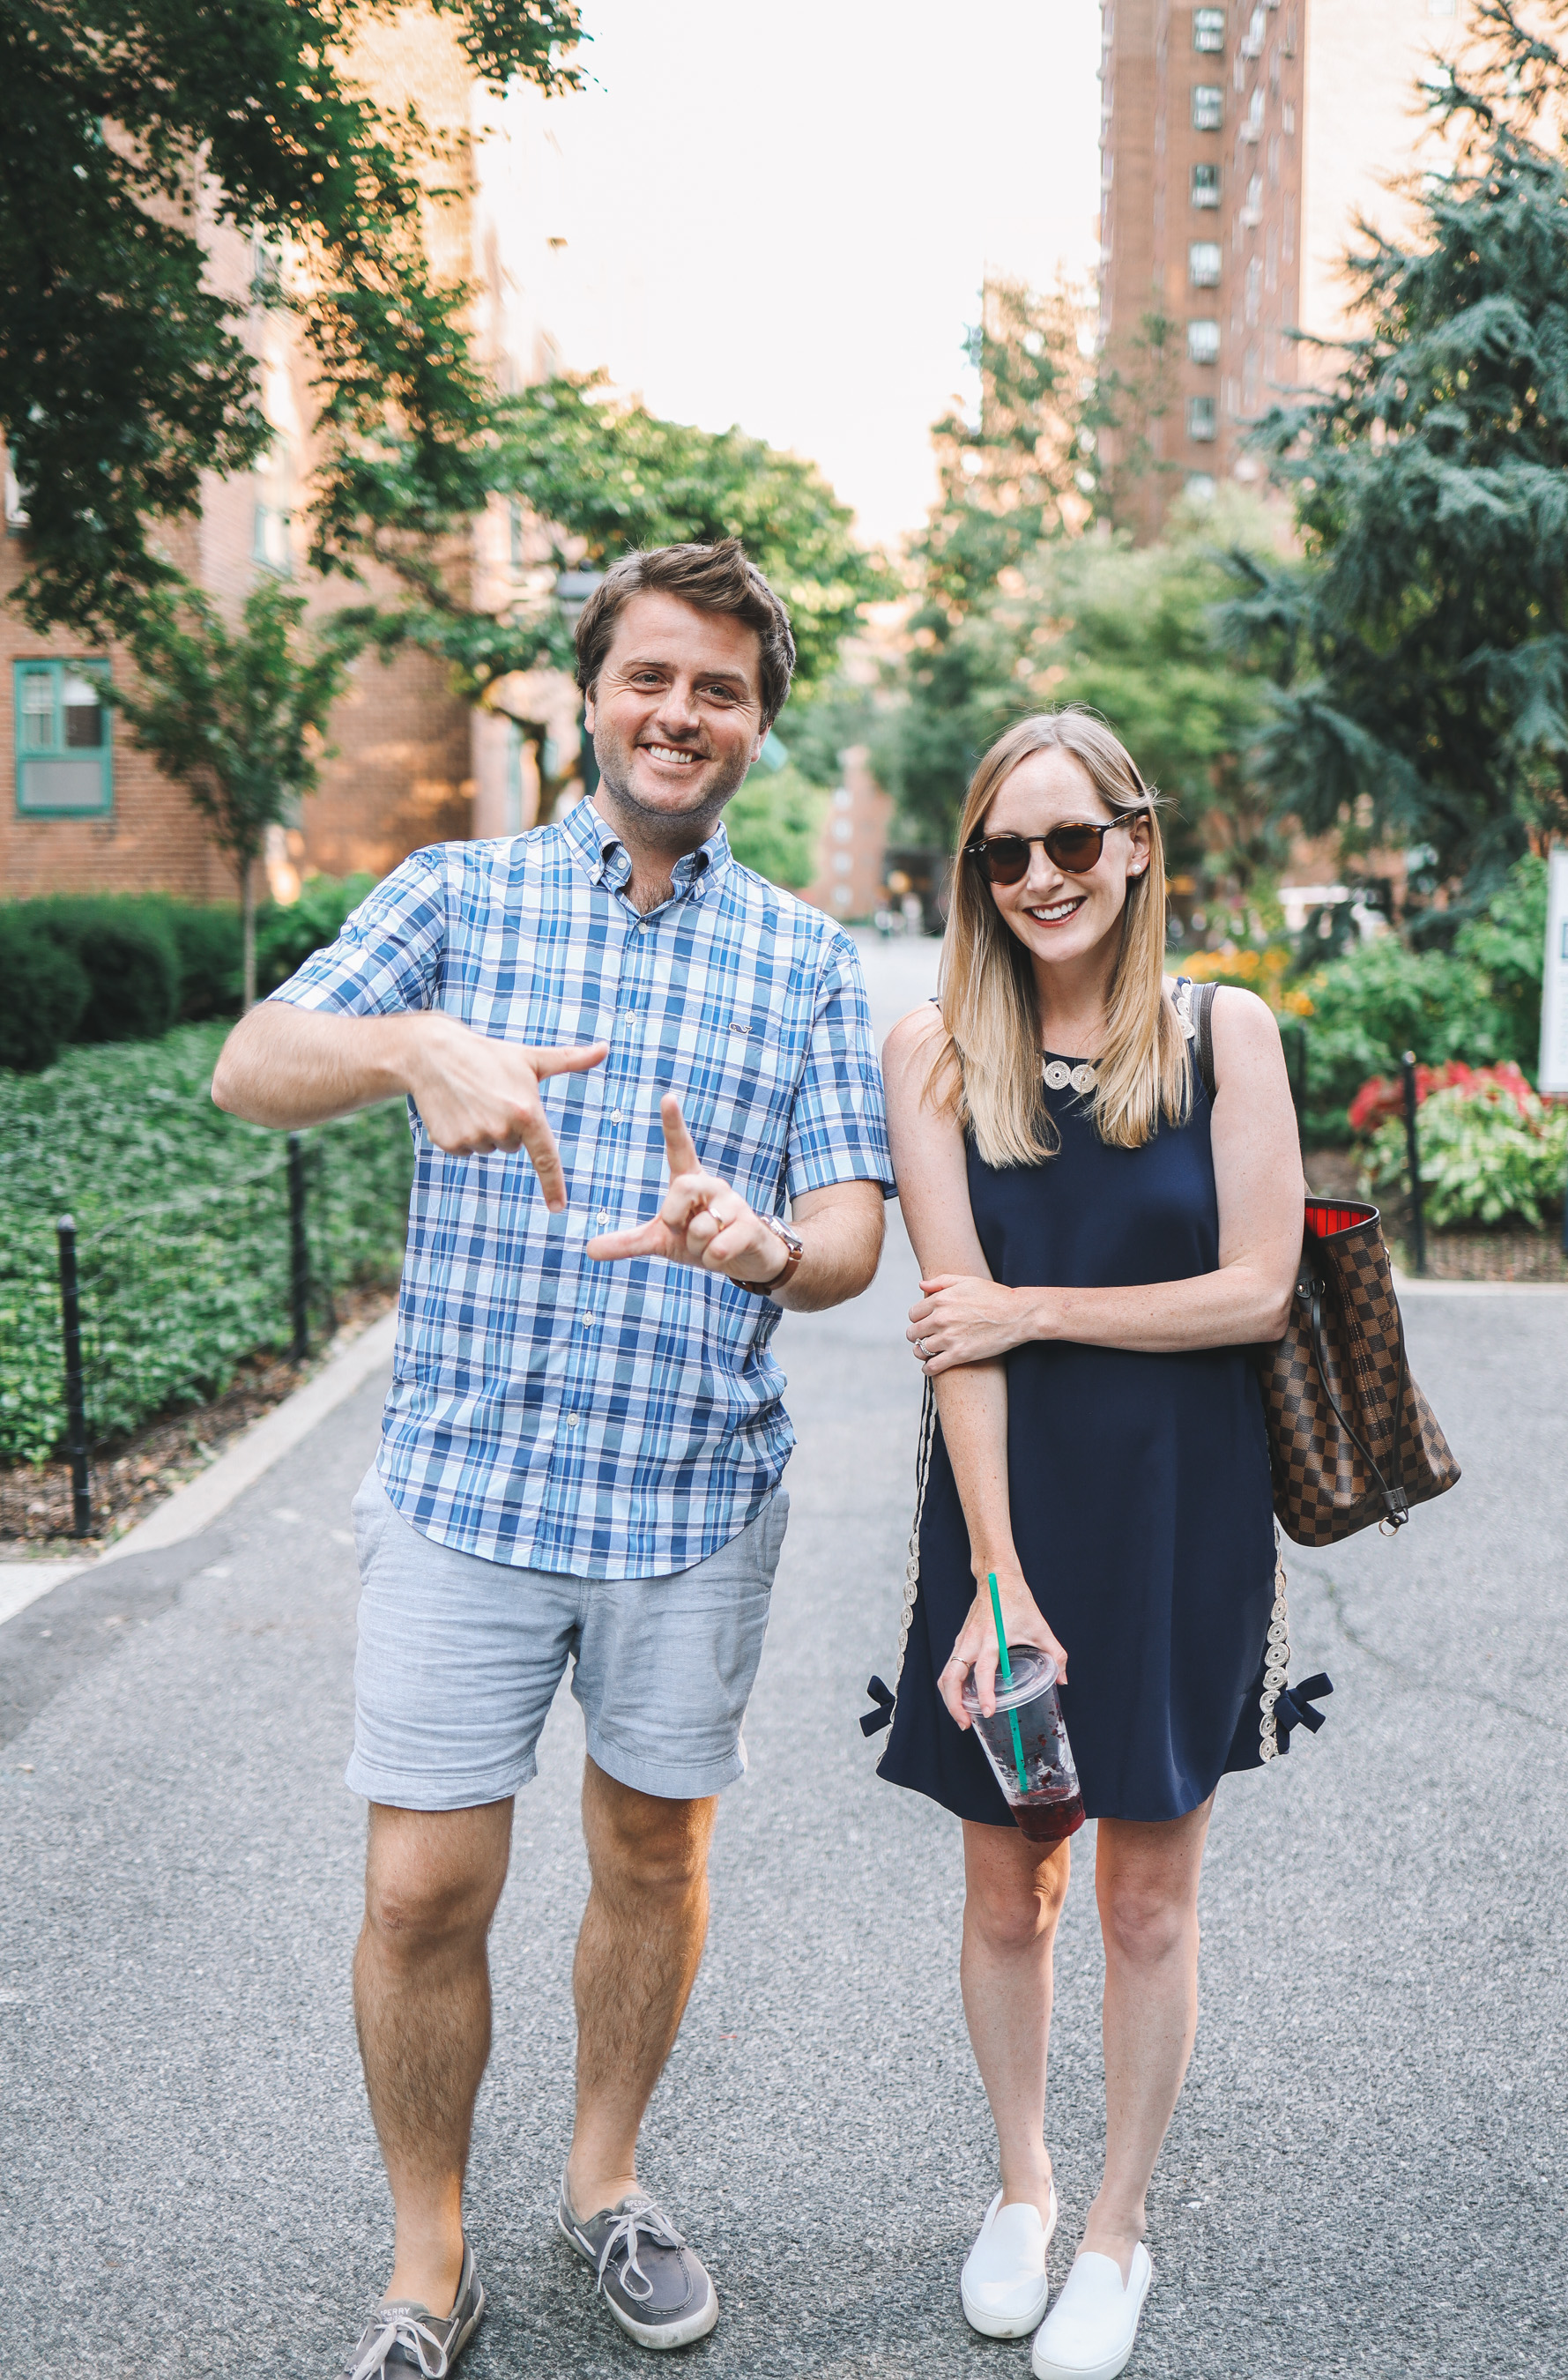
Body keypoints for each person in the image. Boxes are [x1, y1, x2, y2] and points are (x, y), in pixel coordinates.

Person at [212, 540, 891, 2377]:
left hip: (688, 1499)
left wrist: (763, 1246)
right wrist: (409, 1043)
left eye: (722, 689)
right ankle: (429, 2265)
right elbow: (250, 1061)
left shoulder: (808, 959)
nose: (682, 714)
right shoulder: (457, 896)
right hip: (469, 1495)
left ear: (758, 719)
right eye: (652, 677)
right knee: (422, 1888)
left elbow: (848, 1236)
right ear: (591, 692)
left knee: (652, 1858)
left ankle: (605, 2182)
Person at [874, 710, 1303, 2380]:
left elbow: (1255, 1292)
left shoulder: (1222, 1033)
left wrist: (1034, 1303)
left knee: (1144, 1896)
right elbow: (951, 1338)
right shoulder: (936, 1052)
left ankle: (1119, 2227)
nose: (1043, 877)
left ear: (1135, 841)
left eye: (1072, 842)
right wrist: (994, 1577)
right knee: (1008, 1881)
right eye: (1007, 852)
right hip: (1007, 1505)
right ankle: (1025, 2189)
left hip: (1185, 1505)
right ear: (976, 874)